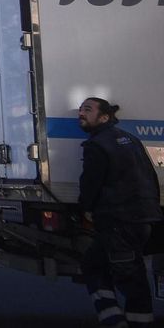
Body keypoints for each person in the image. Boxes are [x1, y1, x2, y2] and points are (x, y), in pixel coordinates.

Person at [77, 97, 160, 327]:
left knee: (130, 279)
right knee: (96, 265)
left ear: (104, 117)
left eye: (87, 109)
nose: (81, 113)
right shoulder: (130, 140)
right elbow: (150, 176)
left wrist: (86, 209)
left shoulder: (98, 145)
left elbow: (90, 183)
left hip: (119, 221)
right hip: (141, 218)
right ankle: (115, 320)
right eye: (81, 109)